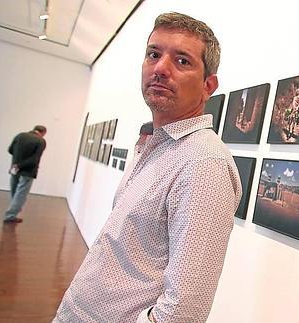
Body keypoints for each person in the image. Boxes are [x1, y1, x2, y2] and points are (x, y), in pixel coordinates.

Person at [54, 12, 242, 323]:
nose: (160, 69)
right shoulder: (154, 145)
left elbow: (185, 309)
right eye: (153, 54)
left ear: (208, 85)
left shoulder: (203, 163)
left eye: (182, 61)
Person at [3, 125, 47, 223]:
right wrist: (21, 165)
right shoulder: (40, 141)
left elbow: (10, 150)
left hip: (14, 168)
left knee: (14, 191)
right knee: (21, 193)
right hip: (28, 171)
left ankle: (12, 212)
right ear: (43, 132)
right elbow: (35, 159)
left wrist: (17, 163)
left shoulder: (20, 135)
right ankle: (10, 215)